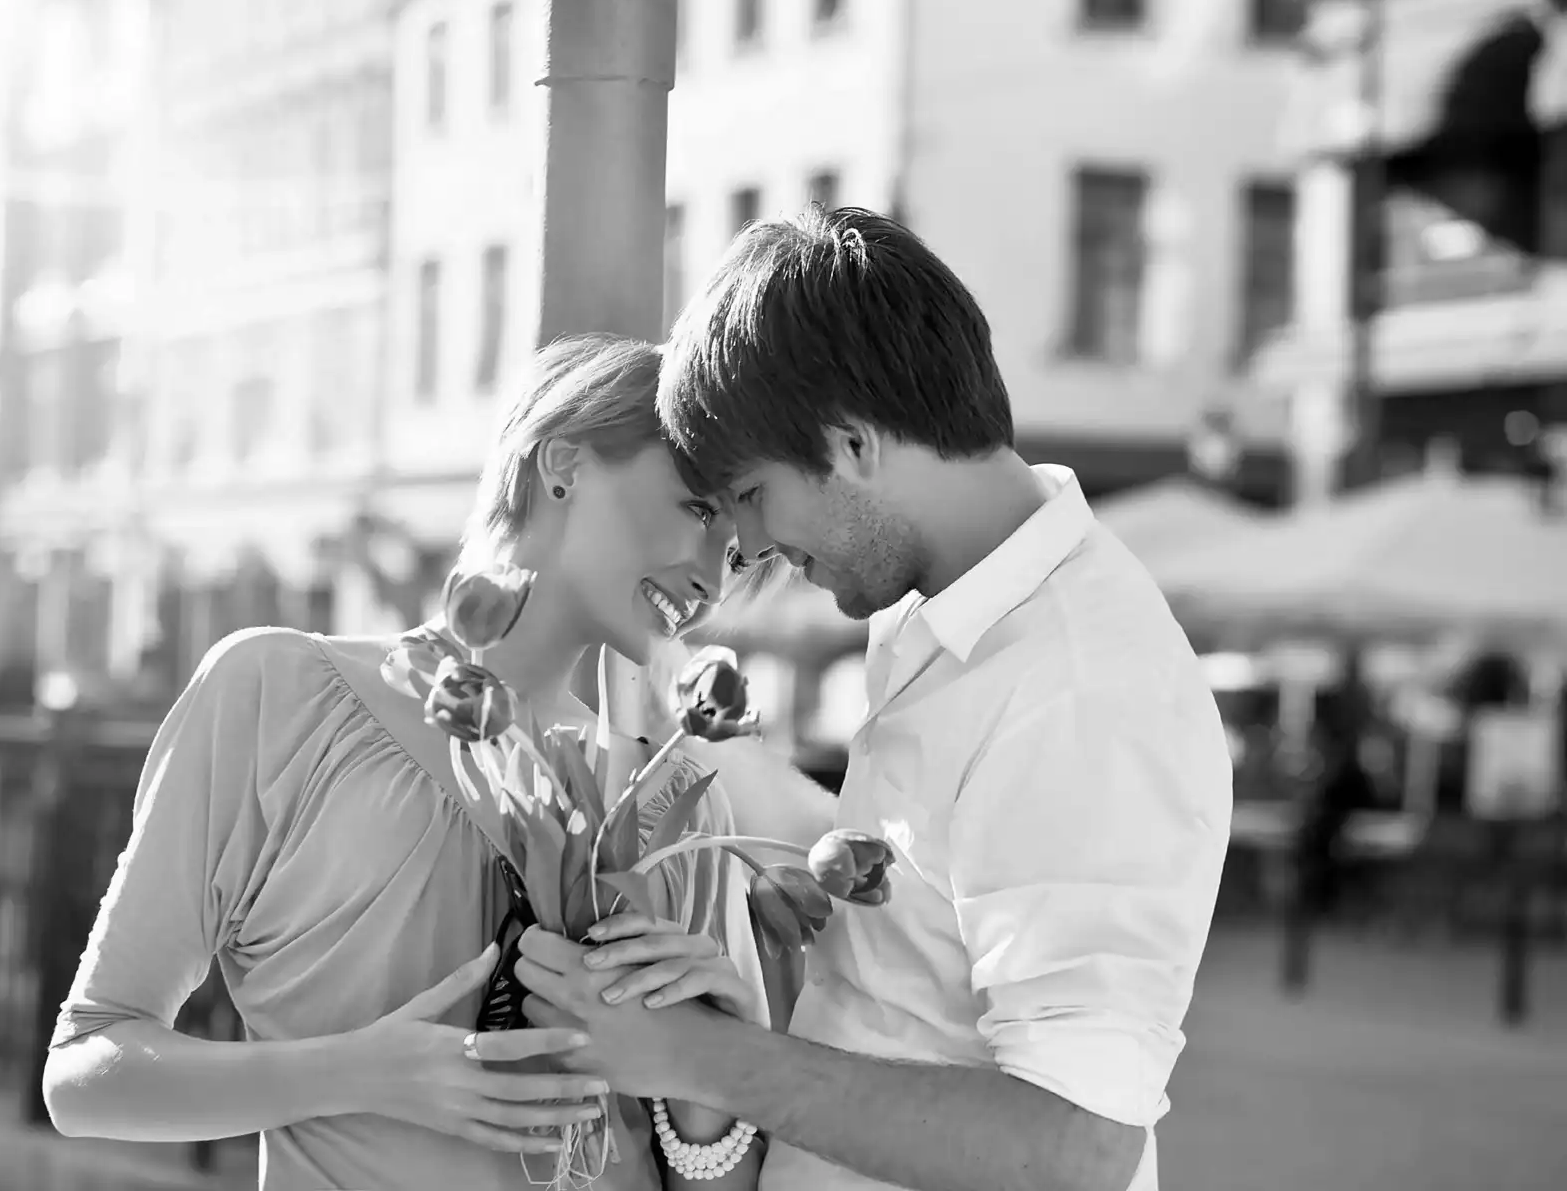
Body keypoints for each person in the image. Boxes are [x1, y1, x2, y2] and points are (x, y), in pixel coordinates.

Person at [514, 207, 1233, 1191]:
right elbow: (933, 946)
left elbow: (1074, 1144)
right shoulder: (939, 607)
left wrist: (692, 1056)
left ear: (851, 444)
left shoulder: (1078, 688)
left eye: (753, 493)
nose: (752, 548)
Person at [43, 333, 790, 1190]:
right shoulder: (278, 693)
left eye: (738, 553)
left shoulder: (676, 806)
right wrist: (364, 1073)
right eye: (698, 510)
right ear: (564, 464)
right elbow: (86, 1070)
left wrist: (710, 1082)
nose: (712, 579)